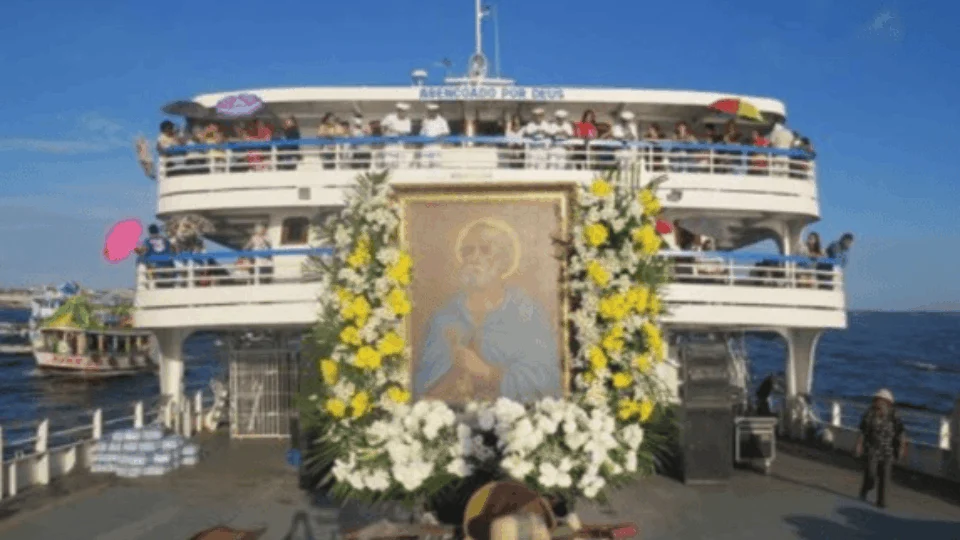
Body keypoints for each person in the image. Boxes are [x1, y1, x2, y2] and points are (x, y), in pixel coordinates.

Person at [414, 218, 562, 404]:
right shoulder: (444, 317)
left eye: (485, 250)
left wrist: (488, 373)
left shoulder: (526, 313)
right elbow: (422, 389)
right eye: (468, 251)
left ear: (503, 260)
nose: (474, 258)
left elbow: (546, 379)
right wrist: (453, 376)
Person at [855, 388, 907, 508]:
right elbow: (862, 431)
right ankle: (866, 488)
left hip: (888, 451)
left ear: (888, 402)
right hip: (872, 449)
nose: (879, 402)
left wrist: (901, 448)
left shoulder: (894, 415)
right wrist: (859, 445)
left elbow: (901, 432)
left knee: (885, 477)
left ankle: (881, 501)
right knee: (871, 474)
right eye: (877, 400)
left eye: (882, 400)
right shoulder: (869, 413)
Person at [135, 224, 175, 288]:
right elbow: (173, 248)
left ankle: (147, 280)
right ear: (158, 231)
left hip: (154, 262)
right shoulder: (165, 240)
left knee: (140, 259)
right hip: (167, 261)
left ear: (149, 232)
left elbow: (143, 250)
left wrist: (136, 250)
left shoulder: (148, 240)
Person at [381, 102, 413, 168]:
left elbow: (406, 133)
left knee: (402, 165)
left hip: (400, 145)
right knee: (389, 165)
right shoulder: (390, 117)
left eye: (405, 111)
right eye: (401, 111)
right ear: (398, 111)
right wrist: (384, 135)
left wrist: (395, 131)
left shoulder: (408, 121)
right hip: (390, 145)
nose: (403, 113)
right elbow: (383, 127)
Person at [419, 103, 450, 168]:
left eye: (432, 111)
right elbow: (422, 133)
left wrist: (437, 137)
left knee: (437, 166)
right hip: (426, 146)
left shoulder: (442, 120)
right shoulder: (425, 120)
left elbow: (446, 132)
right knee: (424, 165)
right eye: (429, 111)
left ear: (436, 111)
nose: (430, 113)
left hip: (436, 146)